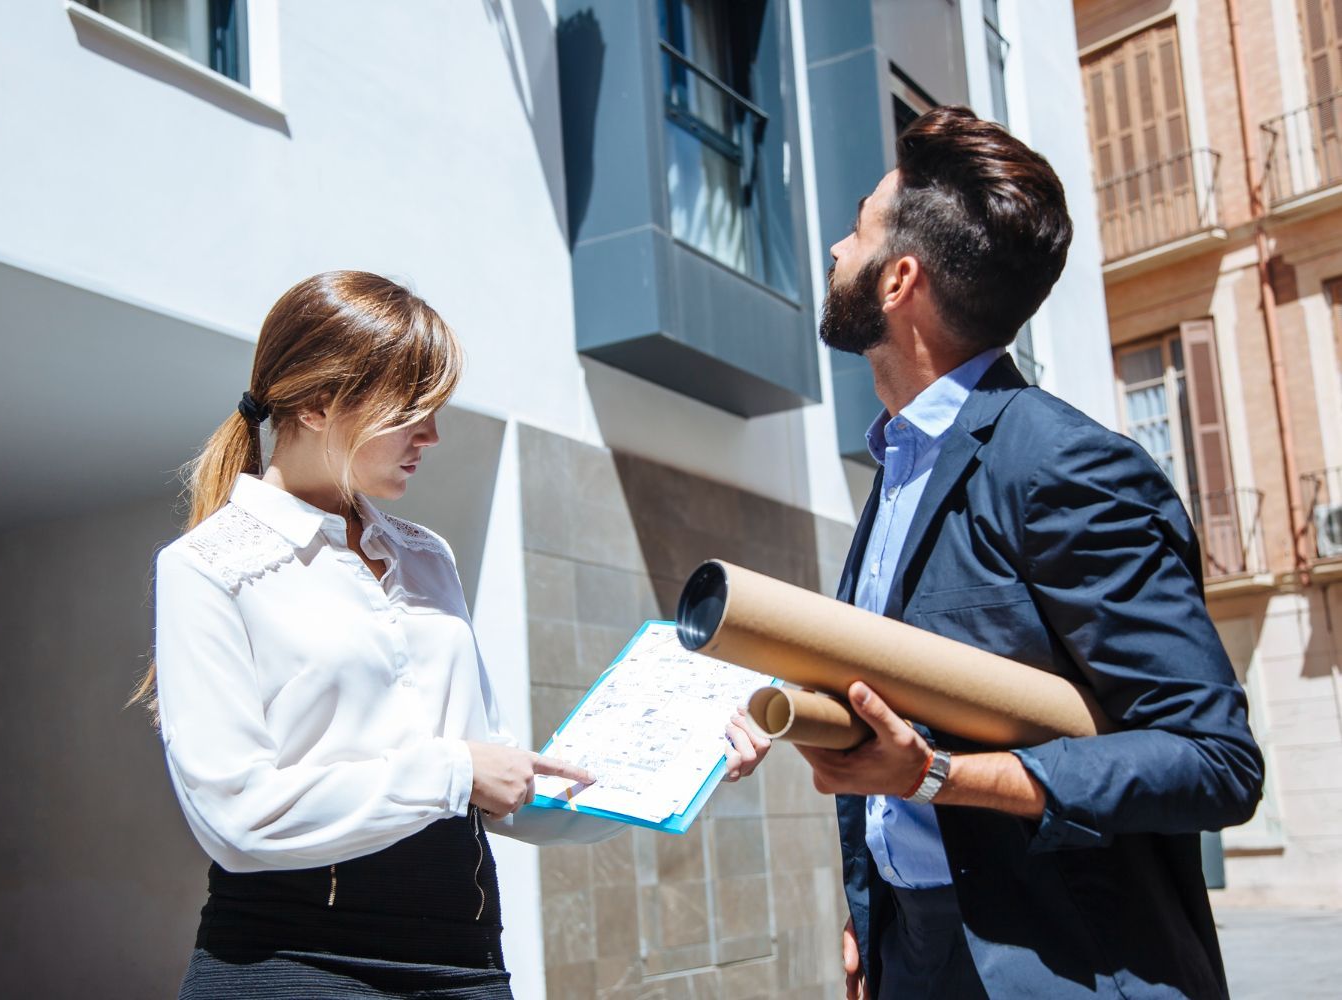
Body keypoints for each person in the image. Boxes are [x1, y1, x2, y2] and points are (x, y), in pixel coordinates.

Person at [137, 270, 767, 999]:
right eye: (412, 411)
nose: (433, 436)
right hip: (290, 964)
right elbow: (236, 817)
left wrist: (682, 767)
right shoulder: (208, 568)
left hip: (464, 959)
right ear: (316, 402)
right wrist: (455, 773)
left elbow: (500, 783)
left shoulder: (426, 555)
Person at [797, 108, 1263, 999]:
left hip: (1061, 966)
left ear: (899, 280)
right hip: (919, 954)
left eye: (854, 233)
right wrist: (880, 917)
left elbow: (1216, 760)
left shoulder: (1062, 464)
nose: (832, 251)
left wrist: (941, 776)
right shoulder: (897, 466)